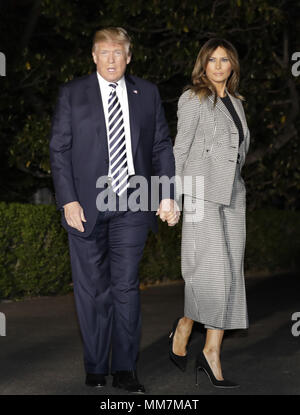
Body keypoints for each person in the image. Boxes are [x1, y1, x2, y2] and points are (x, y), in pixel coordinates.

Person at [49, 27, 178, 394]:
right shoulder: (73, 94)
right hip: (85, 207)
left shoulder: (147, 93)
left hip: (133, 205)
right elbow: (59, 150)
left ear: (128, 57)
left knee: (125, 287)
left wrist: (166, 194)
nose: (110, 59)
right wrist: (68, 200)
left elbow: (161, 146)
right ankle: (95, 364)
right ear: (93, 56)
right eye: (103, 52)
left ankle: (124, 368)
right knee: (92, 290)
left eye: (117, 53)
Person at [171, 38, 250, 388]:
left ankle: (194, 330)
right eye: (212, 60)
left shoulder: (236, 102)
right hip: (200, 191)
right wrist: (170, 195)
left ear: (232, 65)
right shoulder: (193, 98)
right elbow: (180, 147)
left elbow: (239, 149)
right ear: (203, 65)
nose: (218, 66)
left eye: (225, 60)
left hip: (233, 192)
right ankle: (207, 346)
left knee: (230, 271)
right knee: (210, 270)